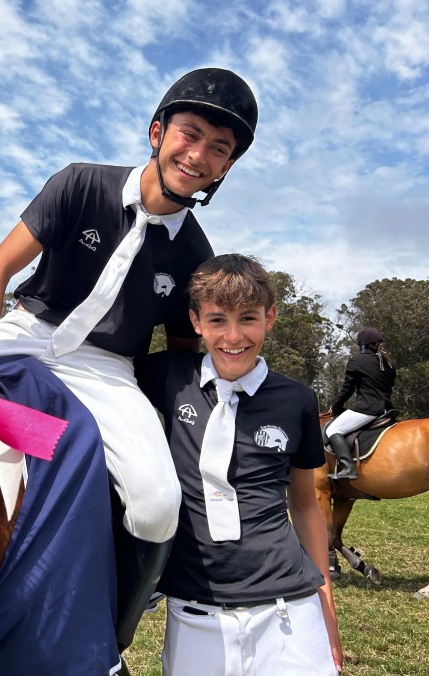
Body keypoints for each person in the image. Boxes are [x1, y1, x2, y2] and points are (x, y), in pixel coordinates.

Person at [0, 68, 258, 650]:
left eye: (218, 149)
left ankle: (108, 642)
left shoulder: (198, 255)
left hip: (108, 369)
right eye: (189, 134)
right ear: (157, 132)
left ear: (226, 168)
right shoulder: (80, 183)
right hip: (23, 335)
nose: (198, 154)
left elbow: (180, 350)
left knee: (155, 506)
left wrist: (164, 411)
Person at [136, 254, 343, 675]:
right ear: (195, 322)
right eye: (217, 321)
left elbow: (304, 506)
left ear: (270, 318)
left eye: (248, 319)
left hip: (289, 606)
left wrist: (326, 603)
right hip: (195, 609)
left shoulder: (298, 399)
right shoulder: (167, 376)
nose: (233, 337)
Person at [325, 327, 396, 480]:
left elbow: (347, 390)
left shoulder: (356, 362)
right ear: (377, 344)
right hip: (385, 410)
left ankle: (348, 467)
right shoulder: (388, 363)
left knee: (333, 429)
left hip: (367, 409)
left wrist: (335, 407)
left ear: (362, 345)